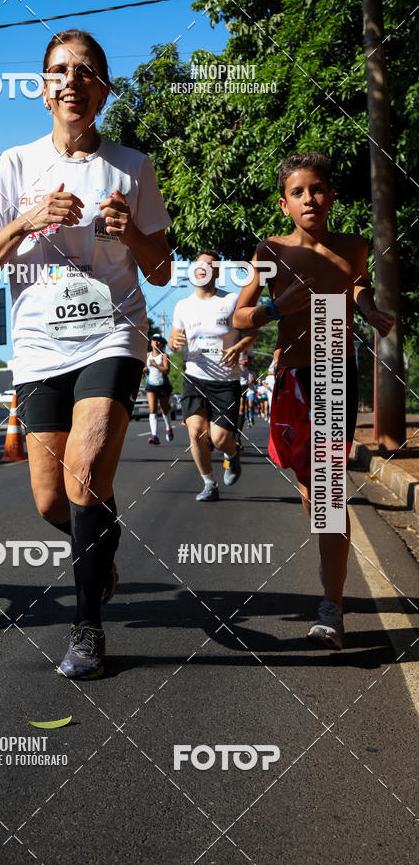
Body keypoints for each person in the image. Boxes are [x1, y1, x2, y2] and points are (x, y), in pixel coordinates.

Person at [0, 29, 172, 679]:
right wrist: (27, 221)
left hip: (112, 333)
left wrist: (132, 233)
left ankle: (87, 628)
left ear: (103, 89)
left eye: (86, 71)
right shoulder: (15, 166)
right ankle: (99, 548)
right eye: (59, 70)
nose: (72, 80)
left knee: (87, 473)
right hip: (37, 347)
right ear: (44, 88)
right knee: (53, 501)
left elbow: (162, 270)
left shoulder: (132, 166)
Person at [233, 151, 394, 649]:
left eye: (318, 189)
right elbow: (240, 317)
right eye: (298, 192)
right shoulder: (269, 250)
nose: (310, 198)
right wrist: (276, 307)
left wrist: (367, 307)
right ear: (285, 204)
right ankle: (332, 566)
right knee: (311, 489)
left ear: (331, 196)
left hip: (331, 369)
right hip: (291, 377)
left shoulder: (353, 246)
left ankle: (332, 607)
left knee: (326, 489)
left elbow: (357, 282)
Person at [168, 251, 257, 501]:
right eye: (198, 265)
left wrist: (238, 348)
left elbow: (253, 333)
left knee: (219, 439)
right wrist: (173, 342)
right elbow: (174, 342)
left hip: (226, 381)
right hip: (194, 377)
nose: (202, 268)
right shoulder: (183, 305)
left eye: (209, 265)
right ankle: (209, 483)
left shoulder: (231, 301)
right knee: (196, 432)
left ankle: (232, 454)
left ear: (217, 272)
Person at [144, 334, 173, 444]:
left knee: (164, 410)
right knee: (152, 409)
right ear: (151, 343)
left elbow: (166, 370)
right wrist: (145, 368)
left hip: (163, 385)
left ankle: (169, 428)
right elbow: (144, 367)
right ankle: (154, 435)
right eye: (154, 340)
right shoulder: (148, 355)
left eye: (159, 341)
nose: (156, 342)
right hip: (151, 385)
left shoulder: (164, 356)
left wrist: (155, 365)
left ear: (162, 343)